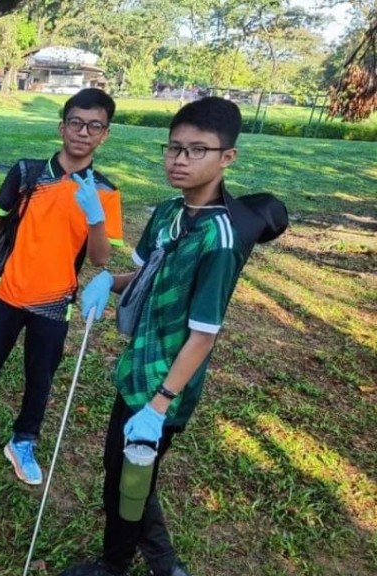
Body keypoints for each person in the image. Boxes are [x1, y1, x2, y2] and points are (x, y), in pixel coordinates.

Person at [60, 97, 287, 576]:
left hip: (166, 387)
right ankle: (141, 565)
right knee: (126, 476)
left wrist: (159, 406)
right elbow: (140, 276)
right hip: (136, 369)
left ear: (227, 158)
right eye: (174, 148)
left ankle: (123, 566)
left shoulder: (220, 241)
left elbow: (203, 336)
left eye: (196, 151)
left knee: (129, 479)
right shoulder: (168, 212)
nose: (180, 160)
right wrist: (107, 282)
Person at [0, 88, 123, 485]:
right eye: (75, 122)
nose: (83, 132)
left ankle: (23, 441)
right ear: (61, 126)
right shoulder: (28, 171)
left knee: (40, 378)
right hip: (7, 291)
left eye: (94, 126)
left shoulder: (104, 191)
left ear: (105, 134)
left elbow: (101, 259)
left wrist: (96, 218)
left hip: (55, 302)